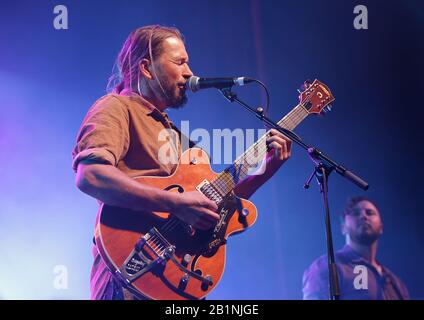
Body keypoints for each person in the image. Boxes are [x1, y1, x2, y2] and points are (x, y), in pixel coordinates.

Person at [72, 25, 292, 300]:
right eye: (180, 62)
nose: (189, 72)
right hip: (131, 273)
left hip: (171, 279)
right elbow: (90, 175)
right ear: (146, 68)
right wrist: (175, 203)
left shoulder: (175, 135)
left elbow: (213, 205)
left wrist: (262, 174)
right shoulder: (116, 107)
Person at [302, 196, 410, 300]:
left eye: (370, 213)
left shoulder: (396, 283)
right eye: (356, 213)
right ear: (343, 228)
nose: (364, 216)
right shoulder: (327, 266)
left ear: (381, 227)